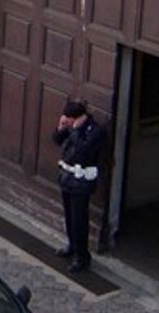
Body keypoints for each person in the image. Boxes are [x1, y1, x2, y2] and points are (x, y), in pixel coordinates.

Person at [52, 98, 106, 273]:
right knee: (69, 216)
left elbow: (84, 150)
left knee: (79, 220)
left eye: (72, 119)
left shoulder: (94, 130)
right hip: (68, 178)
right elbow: (57, 140)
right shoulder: (72, 128)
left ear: (79, 117)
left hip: (81, 182)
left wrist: (75, 130)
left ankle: (82, 256)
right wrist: (61, 128)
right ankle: (72, 245)